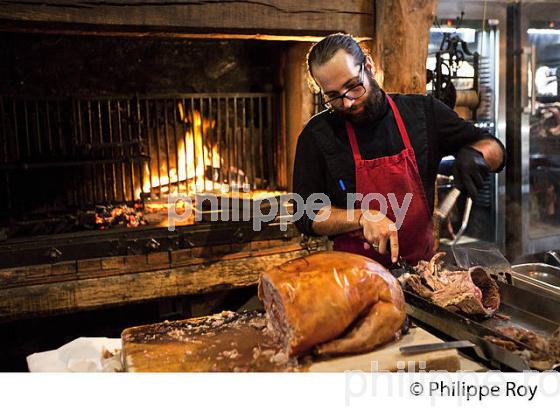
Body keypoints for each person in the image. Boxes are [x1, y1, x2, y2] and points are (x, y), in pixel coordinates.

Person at [292, 33, 505, 267]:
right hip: (354, 280)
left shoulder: (422, 112)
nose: (348, 102)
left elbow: (495, 147)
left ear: (369, 66)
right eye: (333, 96)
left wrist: (477, 155)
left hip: (420, 275)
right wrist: (361, 217)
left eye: (353, 85)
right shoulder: (318, 135)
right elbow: (306, 214)